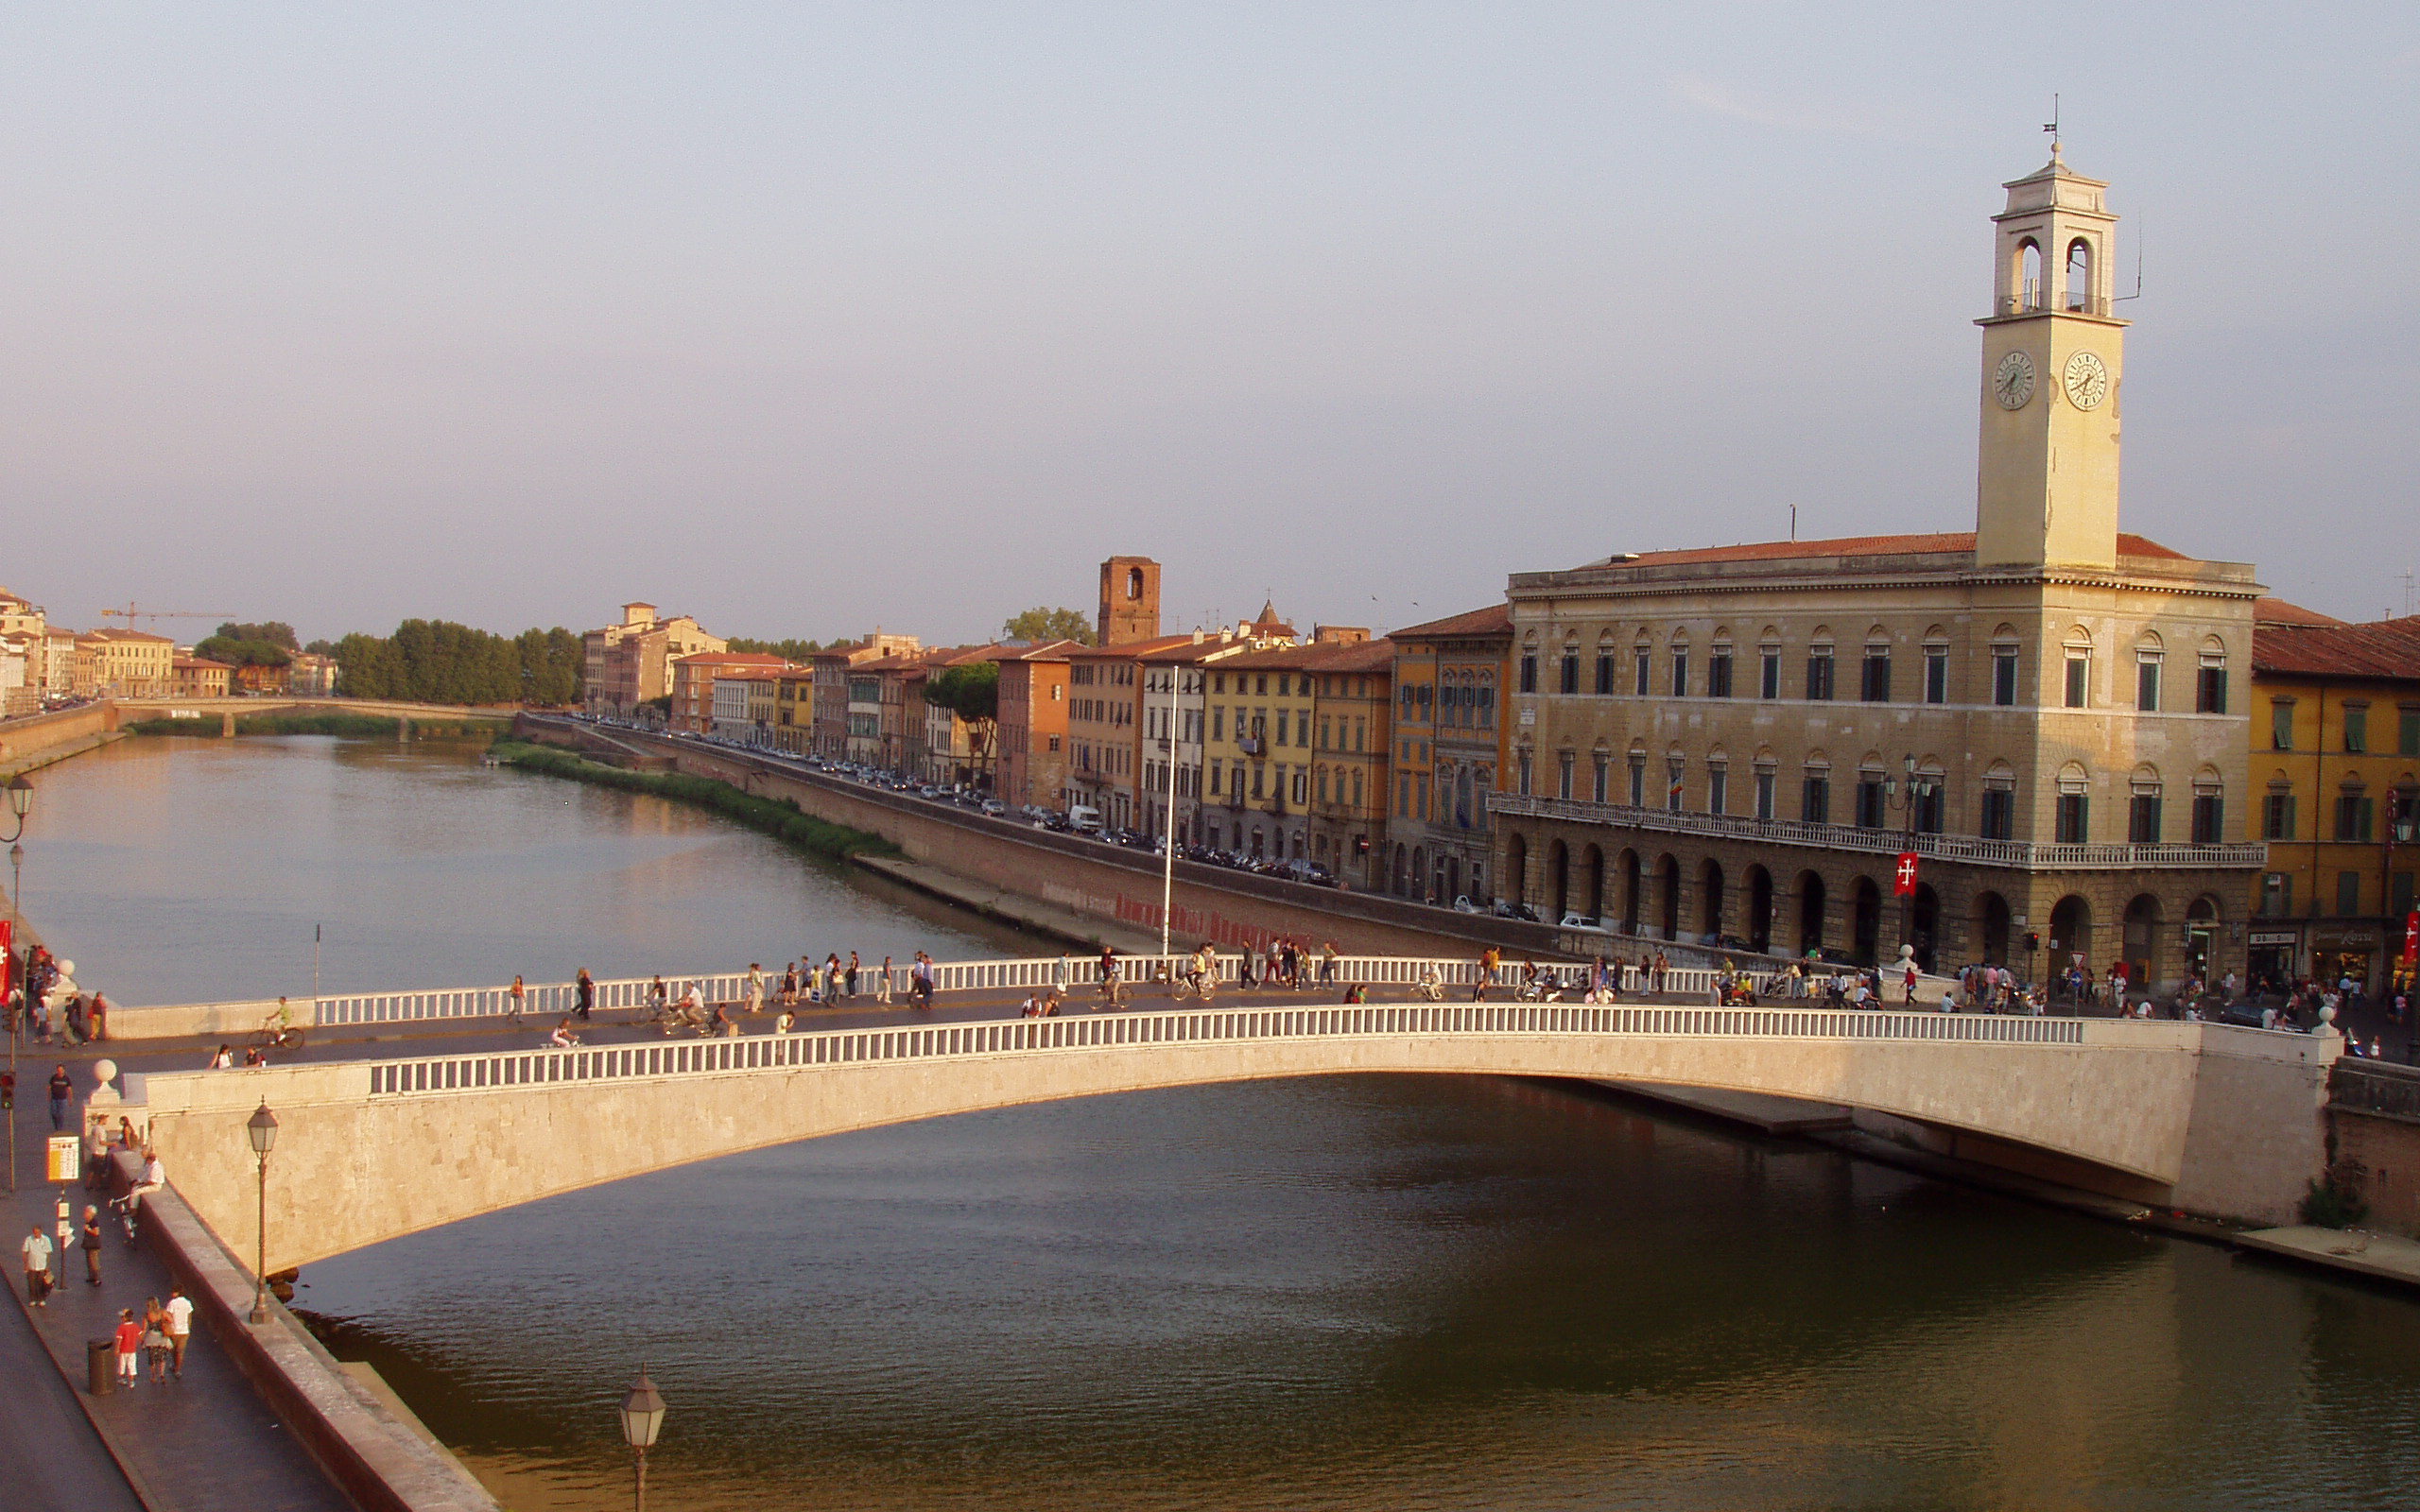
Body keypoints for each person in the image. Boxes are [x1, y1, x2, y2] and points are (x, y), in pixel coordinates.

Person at [164, 1285, 194, 1379]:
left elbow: (168, 1316)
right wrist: (188, 1328)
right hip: (184, 1331)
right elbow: (189, 1317)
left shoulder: (172, 1303)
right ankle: (178, 1369)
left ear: (177, 1293)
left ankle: (175, 1366)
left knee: (173, 1350)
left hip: (174, 1330)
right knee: (180, 1351)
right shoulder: (188, 1303)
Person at [22, 1225, 53, 1307]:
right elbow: (25, 1252)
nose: (36, 1234)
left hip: (42, 1265)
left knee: (41, 1283)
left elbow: (48, 1253)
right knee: (31, 1283)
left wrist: (48, 1265)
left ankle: (41, 1299)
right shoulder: (28, 1239)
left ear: (41, 1232)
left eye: (38, 1232)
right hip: (31, 1265)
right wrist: (26, 1264)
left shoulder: (46, 1240)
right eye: (35, 1232)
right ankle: (32, 1299)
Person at [144, 1297, 172, 1383]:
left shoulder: (147, 1315)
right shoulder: (163, 1312)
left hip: (151, 1338)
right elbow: (171, 1320)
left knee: (152, 1358)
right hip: (162, 1337)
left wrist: (142, 1339)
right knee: (162, 1357)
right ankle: (162, 1374)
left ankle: (153, 1376)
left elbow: (144, 1329)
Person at [113, 1309, 143, 1388]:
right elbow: (140, 1335)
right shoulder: (135, 1326)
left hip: (123, 1350)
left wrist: (117, 1349)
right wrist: (141, 1343)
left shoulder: (121, 1327)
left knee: (122, 1365)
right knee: (132, 1365)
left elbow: (119, 1339)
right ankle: (132, 1382)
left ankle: (123, 1379)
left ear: (124, 1318)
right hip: (132, 1350)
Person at [80, 1206, 103, 1287]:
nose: (84, 1213)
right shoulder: (88, 1221)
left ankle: (97, 1278)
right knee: (89, 1261)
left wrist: (88, 1229)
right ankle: (92, 1277)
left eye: (86, 1211)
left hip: (94, 1245)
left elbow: (96, 1232)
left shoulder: (93, 1221)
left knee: (94, 1262)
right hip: (89, 1244)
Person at [46, 1063, 72, 1132]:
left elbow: (69, 1090)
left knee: (61, 1114)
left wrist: (70, 1100)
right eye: (58, 1070)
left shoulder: (66, 1079)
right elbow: (49, 1088)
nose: (60, 1071)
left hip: (63, 1099)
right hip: (54, 1098)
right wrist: (48, 1096)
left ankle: (60, 1129)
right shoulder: (54, 1077)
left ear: (63, 1070)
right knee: (54, 1113)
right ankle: (56, 1127)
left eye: (61, 1070)